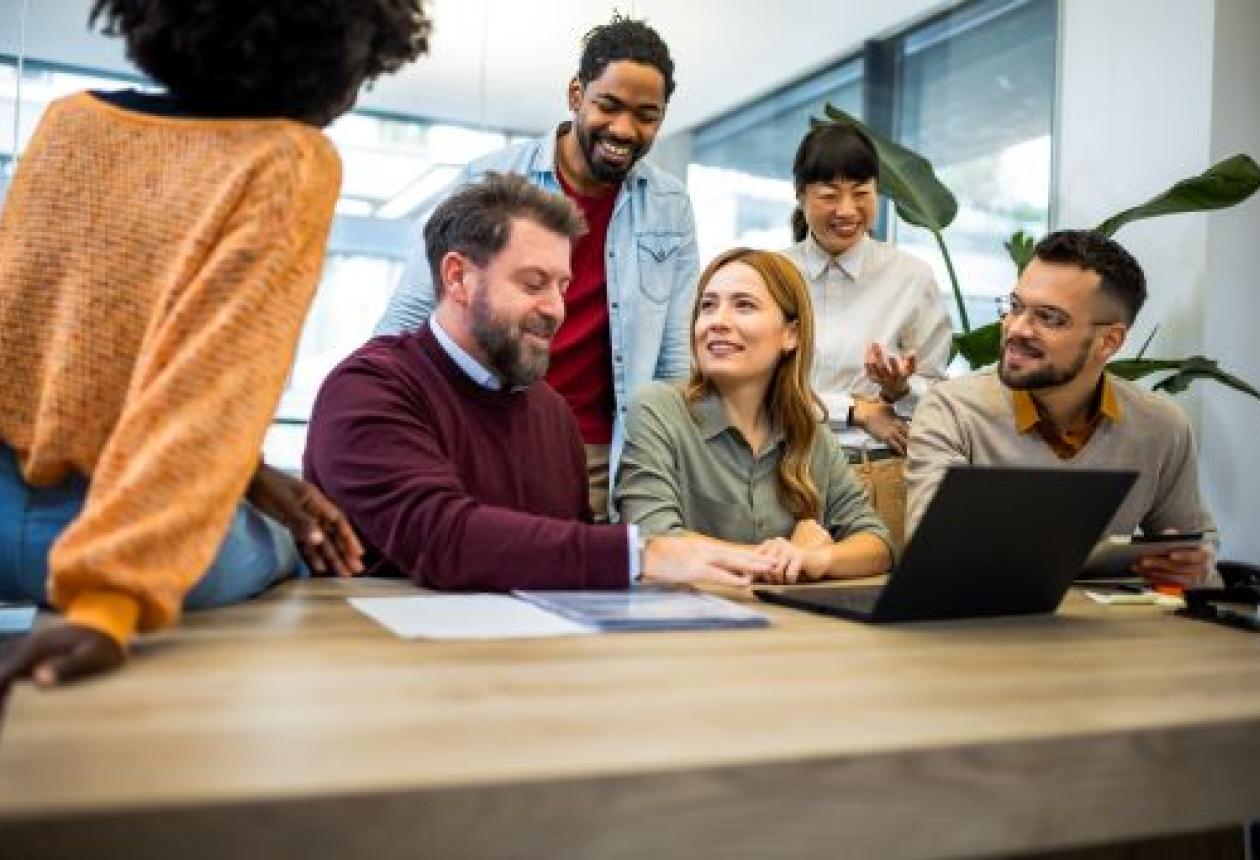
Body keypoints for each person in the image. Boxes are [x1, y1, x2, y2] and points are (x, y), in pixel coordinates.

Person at [0, 0, 432, 691]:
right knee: (298, 553)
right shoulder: (288, 160)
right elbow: (209, 387)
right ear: (344, 47)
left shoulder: (69, 122)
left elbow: (43, 355)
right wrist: (109, 603)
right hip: (107, 552)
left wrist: (251, 474)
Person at [304, 174, 775, 591]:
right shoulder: (367, 389)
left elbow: (564, 555)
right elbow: (442, 538)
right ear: (458, 278)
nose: (556, 309)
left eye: (562, 286)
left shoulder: (550, 412)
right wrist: (645, 554)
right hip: (382, 665)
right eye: (533, 284)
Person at [375, 14, 698, 520]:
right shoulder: (491, 179)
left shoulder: (670, 206)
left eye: (646, 116)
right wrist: (371, 409)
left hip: (600, 455)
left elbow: (675, 359)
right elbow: (415, 309)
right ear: (576, 94)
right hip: (483, 428)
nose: (624, 130)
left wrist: (674, 470)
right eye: (608, 106)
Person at [906, 230, 1216, 588]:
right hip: (979, 627)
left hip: (1106, 633)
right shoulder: (952, 410)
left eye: (1049, 318)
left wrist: (1193, 567)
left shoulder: (1161, 426)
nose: (1016, 329)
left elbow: (1196, 547)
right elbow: (933, 552)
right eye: (1016, 307)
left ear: (1109, 342)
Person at [615, 248, 894, 584]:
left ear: (791, 334)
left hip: (789, 629)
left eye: (743, 305)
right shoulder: (658, 409)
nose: (718, 321)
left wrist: (816, 558)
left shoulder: (808, 430)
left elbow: (876, 543)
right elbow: (653, 541)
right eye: (708, 306)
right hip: (685, 627)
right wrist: (783, 558)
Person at [782, 122, 952, 546]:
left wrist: (897, 391)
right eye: (829, 194)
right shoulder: (771, 275)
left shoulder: (911, 278)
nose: (847, 209)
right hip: (787, 477)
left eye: (861, 192)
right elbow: (755, 388)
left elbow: (933, 392)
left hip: (882, 477)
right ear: (801, 195)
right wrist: (855, 410)